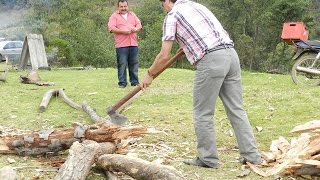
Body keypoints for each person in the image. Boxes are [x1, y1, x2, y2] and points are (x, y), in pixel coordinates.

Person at [141, 0, 262, 168]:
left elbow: (164, 55)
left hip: (211, 60)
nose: (164, 9)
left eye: (163, 5)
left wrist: (149, 74)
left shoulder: (172, 15)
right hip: (230, 54)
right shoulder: (196, 6)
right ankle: (252, 156)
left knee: (203, 112)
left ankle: (208, 158)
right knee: (237, 108)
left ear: (168, 1)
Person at [108, 0, 142, 88]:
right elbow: (111, 28)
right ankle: (122, 83)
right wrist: (123, 31)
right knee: (122, 64)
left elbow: (139, 25)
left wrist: (136, 29)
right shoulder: (114, 16)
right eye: (121, 7)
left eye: (125, 6)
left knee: (134, 63)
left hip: (133, 43)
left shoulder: (132, 14)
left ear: (128, 6)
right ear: (118, 7)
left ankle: (134, 82)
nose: (123, 8)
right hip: (121, 45)